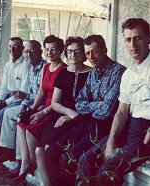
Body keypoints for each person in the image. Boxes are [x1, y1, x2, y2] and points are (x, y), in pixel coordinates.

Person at [77, 18, 150, 186]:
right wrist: (111, 142)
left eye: (138, 38)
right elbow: (121, 112)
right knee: (86, 160)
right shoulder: (129, 74)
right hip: (130, 131)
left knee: (107, 171)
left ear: (149, 39)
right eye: (128, 39)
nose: (133, 44)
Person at [44, 35, 126, 185]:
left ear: (104, 50)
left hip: (105, 126)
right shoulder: (93, 73)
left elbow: (107, 111)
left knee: (69, 158)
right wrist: (96, 104)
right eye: (88, 53)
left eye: (94, 52)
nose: (91, 57)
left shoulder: (118, 72)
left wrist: (90, 106)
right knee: (50, 153)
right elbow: (79, 102)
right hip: (88, 122)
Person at [35, 36, 92, 186]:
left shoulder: (91, 73)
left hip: (81, 118)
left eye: (77, 51)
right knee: (39, 151)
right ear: (66, 53)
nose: (73, 55)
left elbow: (91, 103)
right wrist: (69, 113)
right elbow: (55, 103)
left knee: (51, 150)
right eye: (70, 51)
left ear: (84, 53)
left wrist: (73, 116)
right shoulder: (63, 73)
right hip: (60, 114)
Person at [14, 35, 67, 182]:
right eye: (47, 50)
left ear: (61, 50)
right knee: (21, 121)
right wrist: (32, 109)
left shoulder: (64, 70)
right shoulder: (45, 67)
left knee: (31, 128)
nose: (50, 53)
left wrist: (41, 113)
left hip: (54, 109)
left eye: (53, 50)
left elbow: (58, 100)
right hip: (44, 106)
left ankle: (34, 164)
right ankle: (25, 163)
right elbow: (41, 92)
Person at [0, 40, 47, 176]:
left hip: (41, 107)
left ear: (40, 52)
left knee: (19, 118)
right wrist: (25, 105)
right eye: (26, 51)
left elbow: (44, 95)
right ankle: (11, 155)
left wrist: (29, 108)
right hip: (31, 104)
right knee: (10, 113)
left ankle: (22, 163)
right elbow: (30, 94)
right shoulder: (31, 68)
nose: (28, 54)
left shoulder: (45, 68)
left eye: (32, 51)